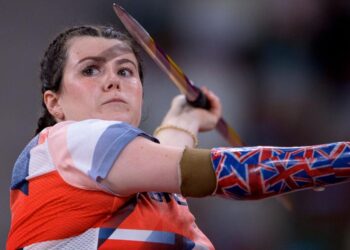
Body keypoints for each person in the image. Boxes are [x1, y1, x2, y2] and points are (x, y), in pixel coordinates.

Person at [7, 25, 350, 250]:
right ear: (54, 103)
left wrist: (185, 116)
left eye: (125, 71)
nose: (113, 81)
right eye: (90, 70)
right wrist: (334, 161)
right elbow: (223, 173)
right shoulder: (70, 139)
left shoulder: (116, 169)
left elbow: (165, 158)